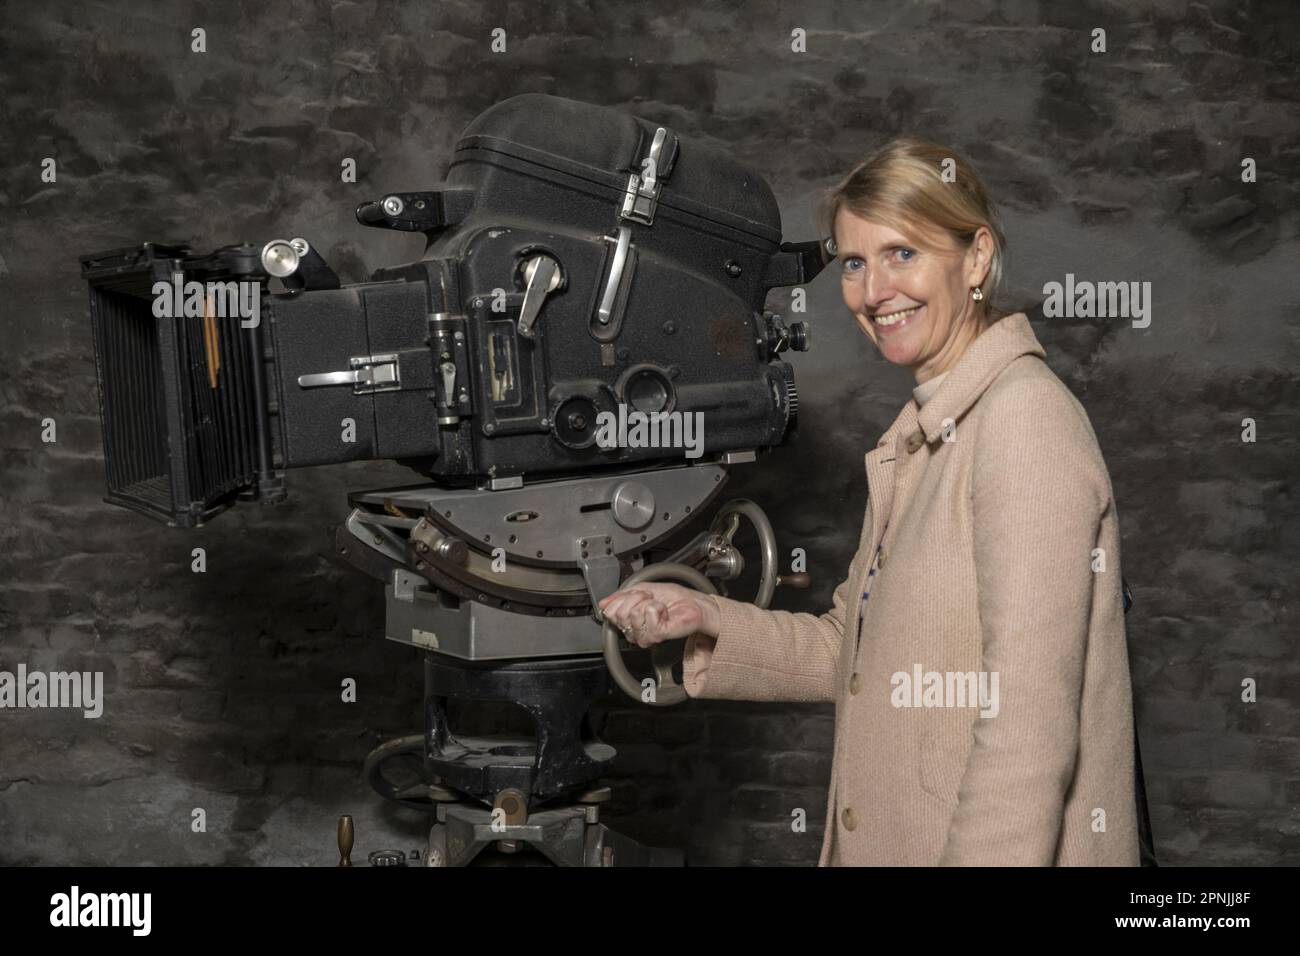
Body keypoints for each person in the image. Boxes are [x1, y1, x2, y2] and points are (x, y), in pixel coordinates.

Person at [598, 136, 1140, 866]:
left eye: (903, 254)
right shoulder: (927, 432)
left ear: (976, 259)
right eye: (855, 262)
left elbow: (1029, 726)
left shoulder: (1022, 423)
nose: (874, 290)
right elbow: (852, 650)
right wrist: (705, 618)